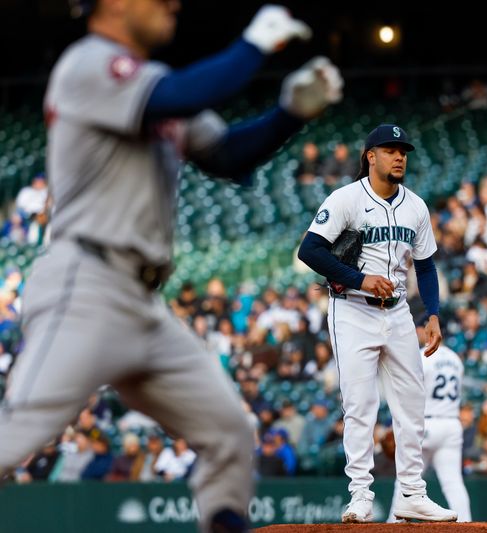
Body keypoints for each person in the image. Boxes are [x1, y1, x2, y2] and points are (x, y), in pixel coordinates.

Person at [0, 2, 342, 532]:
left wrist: (288, 115)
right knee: (16, 433)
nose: (174, 4)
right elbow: (184, 96)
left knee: (228, 431)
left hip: (142, 302)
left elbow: (228, 156)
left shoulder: (155, 82)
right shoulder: (87, 63)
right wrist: (252, 45)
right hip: (85, 283)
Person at [297, 124, 456, 523]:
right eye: (390, 150)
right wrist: (360, 278)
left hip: (399, 311)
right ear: (371, 156)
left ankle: (412, 493)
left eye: (403, 150)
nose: (399, 156)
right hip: (352, 309)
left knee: (412, 404)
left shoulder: (416, 206)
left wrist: (433, 313)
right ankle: (360, 497)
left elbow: (426, 264)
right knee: (360, 404)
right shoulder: (347, 199)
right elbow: (309, 250)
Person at [388, 324, 472, 522]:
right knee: (453, 482)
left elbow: (409, 393)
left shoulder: (422, 355)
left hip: (426, 424)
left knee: (406, 479)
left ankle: (393, 524)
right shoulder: (455, 360)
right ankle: (468, 524)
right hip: (451, 424)